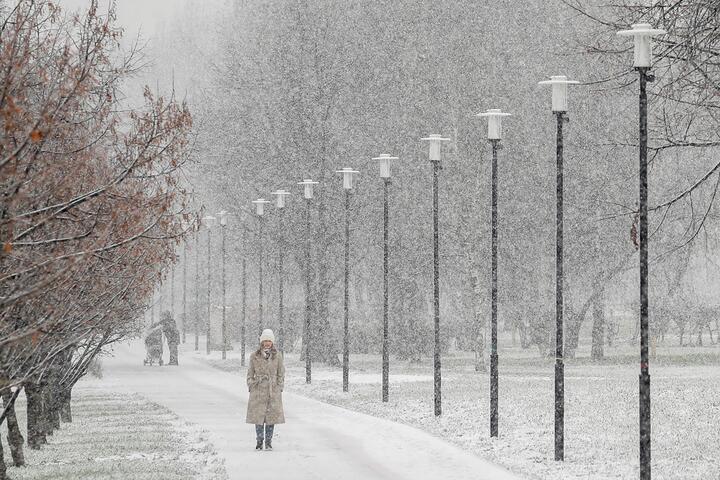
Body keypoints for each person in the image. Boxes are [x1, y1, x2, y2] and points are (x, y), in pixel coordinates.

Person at [246, 329, 285, 450]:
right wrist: (251, 384)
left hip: (272, 390)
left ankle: (268, 442)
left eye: (269, 340)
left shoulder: (277, 356)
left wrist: (279, 386)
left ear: (272, 342)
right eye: (265, 341)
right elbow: (250, 373)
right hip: (258, 390)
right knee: (258, 418)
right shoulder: (254, 356)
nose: (267, 343)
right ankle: (259, 441)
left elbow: (281, 372)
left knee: (270, 418)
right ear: (261, 342)